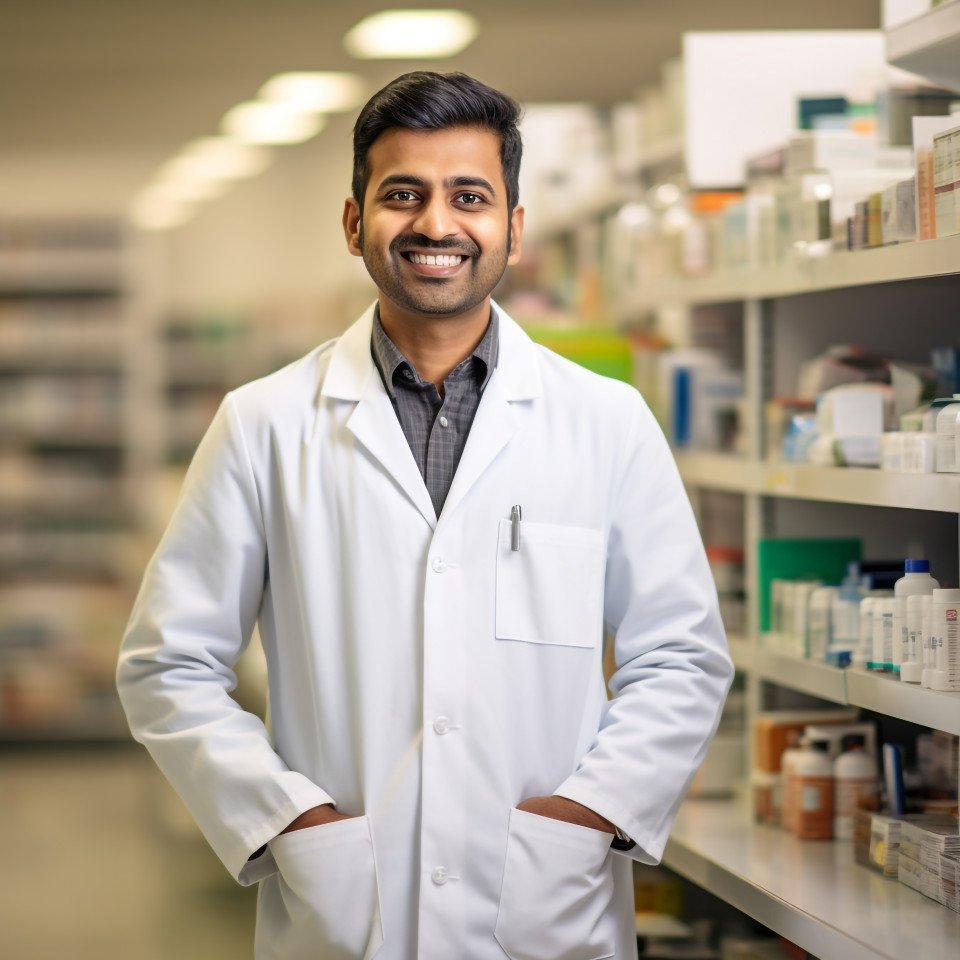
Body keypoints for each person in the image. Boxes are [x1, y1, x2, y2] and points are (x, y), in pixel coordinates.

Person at [117, 71, 733, 960]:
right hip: (345, 913)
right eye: (402, 194)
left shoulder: (605, 421)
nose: (436, 225)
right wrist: (289, 820)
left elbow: (680, 656)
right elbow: (167, 664)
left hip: (548, 913)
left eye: (470, 197)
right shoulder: (264, 424)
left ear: (513, 229)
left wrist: (587, 814)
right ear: (352, 222)